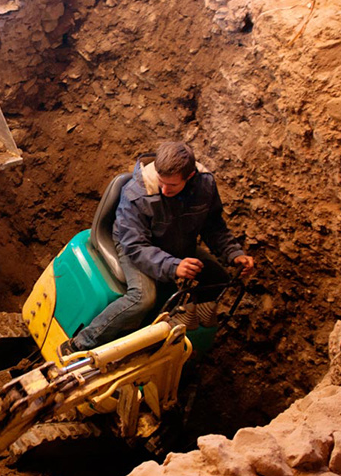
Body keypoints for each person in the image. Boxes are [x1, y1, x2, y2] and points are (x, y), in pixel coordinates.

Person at [65, 141, 255, 354]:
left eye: (172, 185)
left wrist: (234, 253)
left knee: (218, 279)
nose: (164, 190)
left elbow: (213, 226)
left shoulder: (205, 187)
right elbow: (135, 245)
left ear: (190, 177)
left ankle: (174, 325)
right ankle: (80, 344)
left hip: (175, 243)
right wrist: (173, 266)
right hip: (134, 246)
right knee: (142, 299)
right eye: (161, 182)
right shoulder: (136, 192)